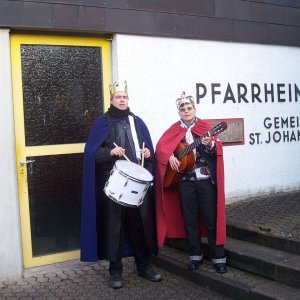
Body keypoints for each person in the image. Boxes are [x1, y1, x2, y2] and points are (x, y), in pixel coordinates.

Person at [80, 80, 161, 289]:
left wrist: (148, 153)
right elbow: (91, 153)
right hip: (114, 186)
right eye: (118, 97)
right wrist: (110, 152)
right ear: (111, 100)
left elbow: (149, 151)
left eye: (125, 97)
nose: (122, 100)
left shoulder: (138, 122)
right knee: (114, 229)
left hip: (137, 185)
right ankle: (115, 271)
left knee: (139, 227)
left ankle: (144, 267)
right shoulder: (102, 122)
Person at [155, 92, 227, 273]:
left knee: (211, 219)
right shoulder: (173, 129)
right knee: (190, 220)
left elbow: (216, 149)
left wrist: (209, 144)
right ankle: (195, 256)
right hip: (184, 182)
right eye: (182, 109)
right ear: (179, 112)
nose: (186, 111)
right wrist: (170, 155)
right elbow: (161, 148)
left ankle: (218, 257)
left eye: (189, 108)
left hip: (204, 181)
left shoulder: (205, 127)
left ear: (195, 110)